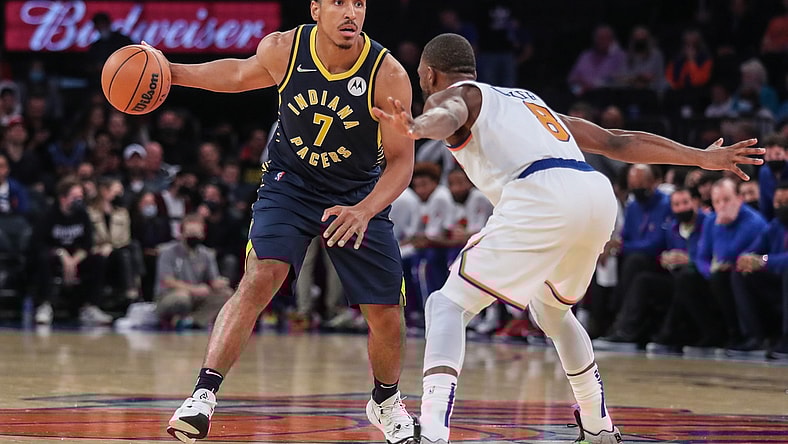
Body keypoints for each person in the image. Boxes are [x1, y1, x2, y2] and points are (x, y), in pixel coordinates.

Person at [372, 33, 763, 444]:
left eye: (422, 80)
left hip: (542, 194)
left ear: (429, 74)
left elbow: (447, 112)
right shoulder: (529, 101)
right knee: (553, 312)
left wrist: (417, 126)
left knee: (446, 304)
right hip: (595, 196)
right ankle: (597, 424)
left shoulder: (454, 95)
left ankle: (432, 432)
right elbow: (616, 141)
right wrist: (699, 156)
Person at [151, 2, 417, 443]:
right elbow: (236, 76)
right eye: (338, 2)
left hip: (355, 196)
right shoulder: (284, 49)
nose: (350, 12)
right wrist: (171, 71)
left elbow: (401, 163)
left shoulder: (386, 74)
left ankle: (386, 401)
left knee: (387, 314)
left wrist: (365, 210)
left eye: (359, 3)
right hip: (290, 185)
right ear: (316, 9)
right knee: (260, 277)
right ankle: (202, 396)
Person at [154, 214, 232, 328]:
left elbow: (213, 280)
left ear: (203, 234)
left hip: (197, 297)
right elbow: (167, 281)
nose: (193, 236)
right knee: (182, 297)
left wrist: (219, 283)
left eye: (197, 233)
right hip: (169, 296)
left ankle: (193, 321)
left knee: (226, 294)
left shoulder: (207, 254)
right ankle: (169, 320)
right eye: (190, 232)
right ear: (181, 233)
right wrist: (194, 289)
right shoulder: (168, 252)